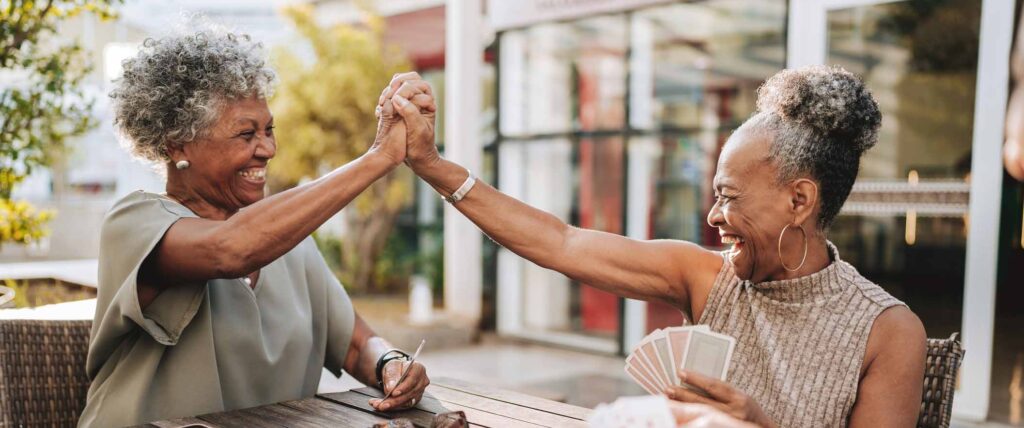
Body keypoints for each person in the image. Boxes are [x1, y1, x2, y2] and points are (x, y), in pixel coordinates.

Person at [378, 66, 927, 427]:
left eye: (729, 197)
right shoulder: (708, 277)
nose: (714, 216)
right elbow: (560, 241)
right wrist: (430, 164)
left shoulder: (888, 332)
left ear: (800, 200)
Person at [80, 31, 433, 427]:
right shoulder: (135, 222)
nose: (267, 149)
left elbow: (356, 345)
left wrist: (391, 363)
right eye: (247, 134)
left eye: (269, 130)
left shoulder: (288, 240)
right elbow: (230, 250)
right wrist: (379, 157)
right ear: (178, 144)